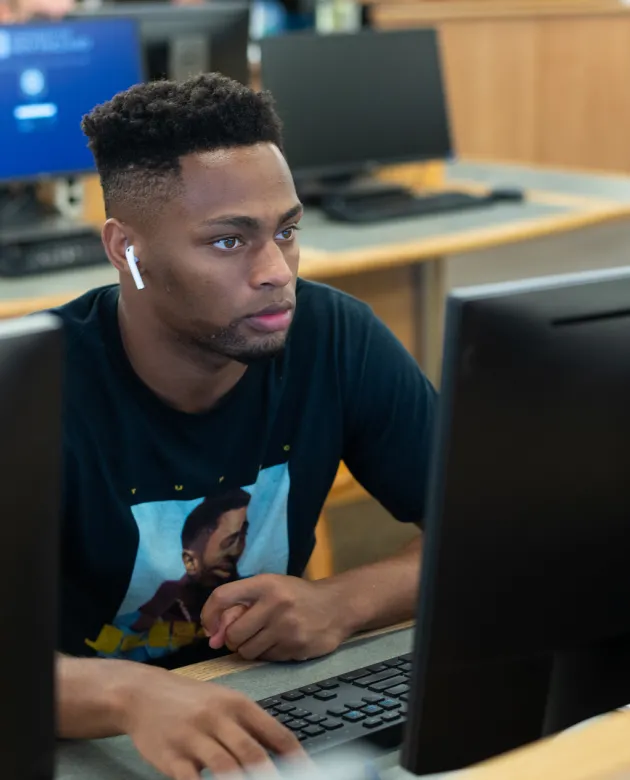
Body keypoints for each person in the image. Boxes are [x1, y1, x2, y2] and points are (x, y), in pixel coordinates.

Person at [54, 74, 437, 780]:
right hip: (77, 739)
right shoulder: (35, 386)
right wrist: (129, 694)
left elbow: (493, 531)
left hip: (270, 712)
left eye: (286, 232)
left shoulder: (335, 338)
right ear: (126, 250)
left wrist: (341, 602)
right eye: (229, 243)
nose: (277, 273)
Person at [132, 489, 250, 631]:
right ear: (189, 560)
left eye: (243, 536)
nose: (236, 551)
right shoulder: (171, 594)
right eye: (229, 541)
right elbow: (136, 631)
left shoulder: (245, 588)